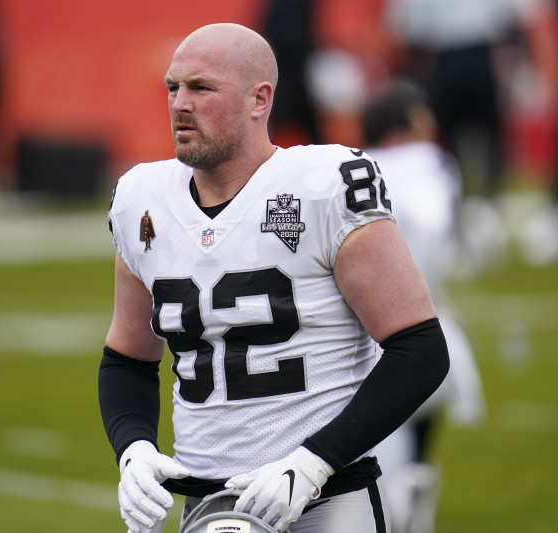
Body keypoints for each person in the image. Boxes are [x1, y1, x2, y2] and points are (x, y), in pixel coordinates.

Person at [99, 22, 450, 533]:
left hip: (328, 497)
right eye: (173, 87)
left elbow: (419, 348)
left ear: (258, 100)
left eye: (201, 88)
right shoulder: (141, 198)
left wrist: (312, 462)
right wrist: (132, 447)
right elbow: (127, 357)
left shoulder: (323, 185)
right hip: (206, 501)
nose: (179, 103)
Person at [361, 80, 485, 533]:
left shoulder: (342, 167)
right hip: (423, 323)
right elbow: (435, 223)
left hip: (360, 336)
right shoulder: (425, 164)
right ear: (400, 131)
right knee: (411, 436)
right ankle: (413, 491)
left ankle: (406, 496)